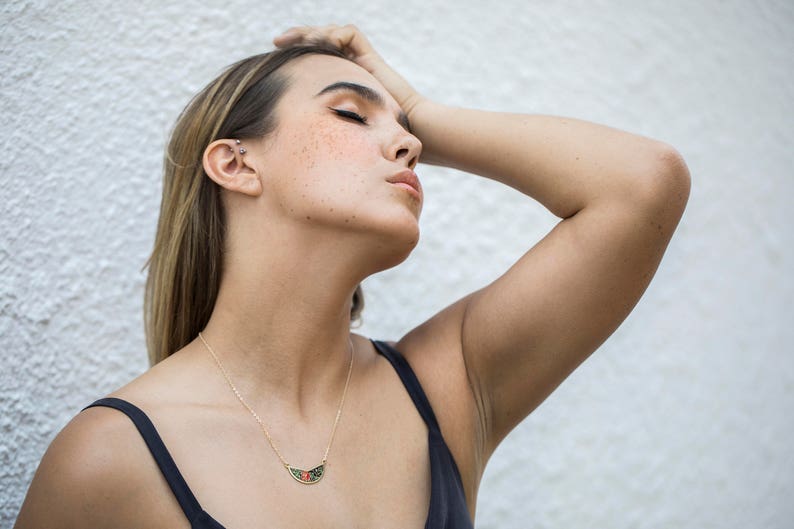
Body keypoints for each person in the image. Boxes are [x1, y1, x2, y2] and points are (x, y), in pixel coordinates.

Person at [14, 24, 690, 528]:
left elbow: (643, 185)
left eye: (403, 127)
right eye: (348, 112)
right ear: (236, 164)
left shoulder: (446, 387)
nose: (409, 145)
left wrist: (421, 110)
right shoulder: (106, 460)